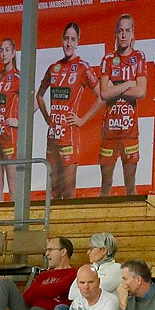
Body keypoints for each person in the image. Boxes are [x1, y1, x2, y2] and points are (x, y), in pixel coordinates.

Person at [38, 22, 102, 201]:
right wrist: (47, 118)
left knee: (68, 192)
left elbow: (101, 96)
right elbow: (39, 96)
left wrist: (82, 120)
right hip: (52, 138)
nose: (68, 43)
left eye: (72, 39)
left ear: (78, 42)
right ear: (62, 40)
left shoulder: (83, 67)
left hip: (69, 138)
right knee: (54, 192)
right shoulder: (54, 68)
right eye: (66, 39)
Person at [95, 14, 149, 197]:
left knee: (130, 186)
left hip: (129, 132)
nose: (124, 35)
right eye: (120, 31)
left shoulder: (139, 57)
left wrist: (115, 87)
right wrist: (128, 84)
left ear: (133, 33)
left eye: (127, 31)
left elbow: (141, 91)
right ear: (115, 35)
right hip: (109, 132)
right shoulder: (108, 59)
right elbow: (103, 93)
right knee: (106, 185)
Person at [0, 39, 22, 202]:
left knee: (13, 187)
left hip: (9, 137)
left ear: (13, 53)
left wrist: (19, 121)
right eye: (1, 50)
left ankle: (15, 223)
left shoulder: (18, 77)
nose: (4, 54)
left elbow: (34, 101)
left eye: (7, 50)